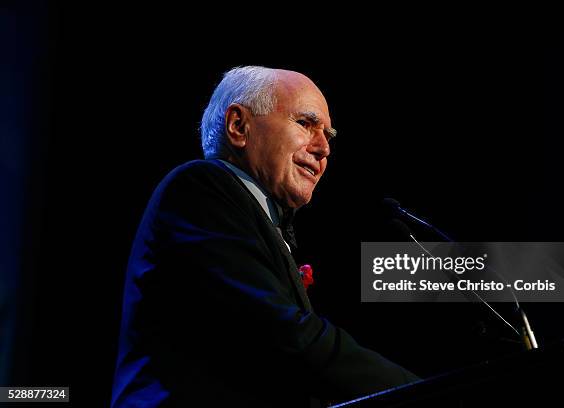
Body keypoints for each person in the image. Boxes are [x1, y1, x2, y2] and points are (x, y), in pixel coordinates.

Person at [111, 66, 418, 407]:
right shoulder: (198, 189)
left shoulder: (261, 218)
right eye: (305, 123)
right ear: (238, 126)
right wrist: (424, 393)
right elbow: (288, 337)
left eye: (328, 136)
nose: (323, 149)